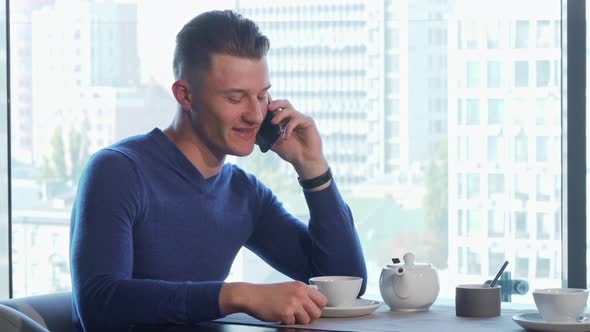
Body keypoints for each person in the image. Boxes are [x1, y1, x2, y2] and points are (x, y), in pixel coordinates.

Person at [70, 9, 367, 332]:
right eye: (235, 97)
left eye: (262, 95)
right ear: (185, 95)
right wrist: (236, 295)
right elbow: (97, 304)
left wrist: (313, 170)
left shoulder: (245, 194)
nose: (255, 115)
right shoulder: (118, 171)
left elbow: (345, 287)